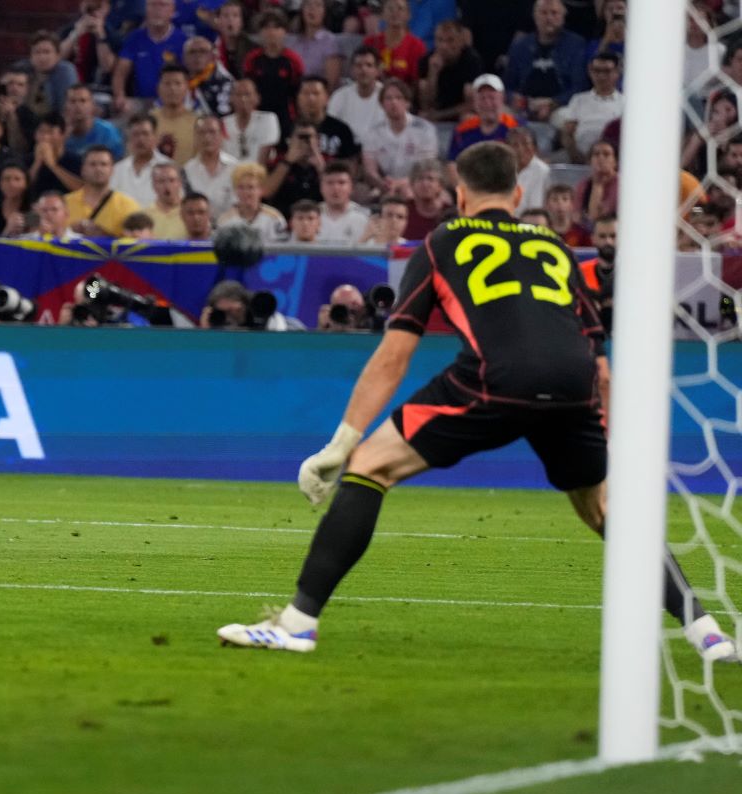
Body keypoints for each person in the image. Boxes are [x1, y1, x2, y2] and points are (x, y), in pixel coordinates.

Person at [217, 140, 739, 664]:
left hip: (495, 378)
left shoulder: (443, 241)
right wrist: (615, 442)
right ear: (517, 193)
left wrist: (343, 439)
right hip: (573, 386)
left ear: (460, 193)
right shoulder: (554, 247)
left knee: (369, 466)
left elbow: (395, 354)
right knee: (605, 509)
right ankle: (707, 631)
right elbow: (601, 367)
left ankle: (297, 624)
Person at [504, 0, 587, 122]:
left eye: (554, 13)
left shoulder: (576, 44)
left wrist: (553, 103)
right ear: (534, 16)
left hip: (561, 107)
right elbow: (507, 85)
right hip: (524, 106)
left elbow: (579, 87)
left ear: (563, 16)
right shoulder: (520, 45)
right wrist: (520, 101)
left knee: (564, 119)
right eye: (543, 13)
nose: (549, 18)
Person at [111, 0, 186, 112]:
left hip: (173, 103)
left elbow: (189, 77)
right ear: (145, 9)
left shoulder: (183, 41)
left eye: (163, 5)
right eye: (153, 4)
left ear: (172, 10)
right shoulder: (135, 38)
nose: (157, 10)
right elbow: (120, 73)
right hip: (142, 102)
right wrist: (119, 96)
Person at [556, 51, 624, 165]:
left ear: (617, 73)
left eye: (607, 71)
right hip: (578, 156)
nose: (601, 76)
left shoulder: (625, 103)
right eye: (597, 71)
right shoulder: (578, 100)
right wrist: (577, 156)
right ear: (590, 72)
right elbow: (567, 133)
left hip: (612, 159)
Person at [65, 145, 139, 237]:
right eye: (93, 164)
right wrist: (69, 231)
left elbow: (136, 243)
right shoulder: (64, 203)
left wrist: (105, 236)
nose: (98, 169)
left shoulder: (128, 205)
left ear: (112, 169)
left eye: (103, 164)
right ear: (83, 169)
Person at [416, 19, 482, 123]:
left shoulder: (471, 60)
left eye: (450, 40)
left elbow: (472, 103)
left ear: (460, 41)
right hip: (436, 110)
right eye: (440, 40)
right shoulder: (427, 60)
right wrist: (433, 74)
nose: (444, 46)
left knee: (469, 114)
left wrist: (440, 115)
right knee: (423, 88)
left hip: (458, 113)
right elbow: (425, 105)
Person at [446, 73, 516, 161]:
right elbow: (452, 165)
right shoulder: (462, 131)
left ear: (502, 99)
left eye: (492, 98)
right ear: (474, 102)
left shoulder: (516, 127)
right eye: (482, 98)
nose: (487, 103)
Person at [326, 45, 385, 148]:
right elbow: (330, 127)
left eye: (369, 65)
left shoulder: (387, 96)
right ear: (352, 70)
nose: (363, 70)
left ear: (378, 70)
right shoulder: (340, 96)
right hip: (346, 150)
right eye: (359, 65)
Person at [217, 161, 286, 245]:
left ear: (260, 189)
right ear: (235, 190)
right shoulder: (225, 221)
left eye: (250, 187)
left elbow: (282, 249)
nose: (246, 192)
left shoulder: (275, 218)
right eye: (241, 187)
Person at [110, 112, 169, 207]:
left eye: (145, 134)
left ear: (155, 137)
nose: (140, 139)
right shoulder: (117, 170)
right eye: (135, 134)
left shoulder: (169, 168)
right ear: (129, 137)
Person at [362, 0, 427, 85]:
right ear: (382, 15)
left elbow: (416, 82)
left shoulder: (417, 46)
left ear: (408, 15)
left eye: (400, 8)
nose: (395, 12)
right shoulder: (370, 43)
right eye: (390, 8)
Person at [221, 78, 279, 164]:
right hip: (230, 174)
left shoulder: (268, 119)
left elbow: (265, 153)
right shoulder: (223, 124)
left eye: (247, 94)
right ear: (231, 99)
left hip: (259, 173)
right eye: (238, 94)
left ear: (257, 98)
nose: (243, 99)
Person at [317, 161, 369, 246]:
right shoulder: (310, 216)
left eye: (341, 183)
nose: (335, 188)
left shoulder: (364, 217)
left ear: (351, 187)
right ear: (321, 187)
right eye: (330, 183)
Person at [507, 126, 548, 214]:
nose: (520, 149)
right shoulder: (502, 168)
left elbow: (536, 208)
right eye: (515, 145)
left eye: (525, 144)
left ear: (534, 148)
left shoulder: (542, 171)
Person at [140, 161, 185, 239]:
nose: (167, 186)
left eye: (172, 180)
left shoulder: (190, 212)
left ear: (180, 183)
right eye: (161, 181)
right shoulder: (145, 215)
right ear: (153, 186)